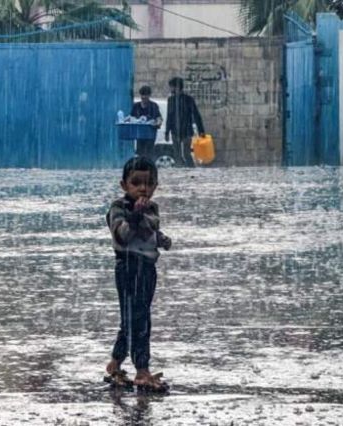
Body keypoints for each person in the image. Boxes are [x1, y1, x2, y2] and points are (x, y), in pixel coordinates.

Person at [104, 156, 172, 392]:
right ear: (124, 185)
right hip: (128, 268)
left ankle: (115, 362)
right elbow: (122, 235)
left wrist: (162, 239)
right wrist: (134, 215)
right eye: (136, 183)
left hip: (147, 269)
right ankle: (141, 369)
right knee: (137, 319)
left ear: (155, 185)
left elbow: (152, 230)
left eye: (149, 183)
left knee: (136, 317)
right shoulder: (118, 208)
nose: (143, 188)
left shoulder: (152, 208)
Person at [165, 77, 205, 168]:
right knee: (177, 154)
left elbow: (196, 115)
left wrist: (201, 130)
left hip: (187, 130)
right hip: (175, 131)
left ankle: (191, 171)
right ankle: (180, 173)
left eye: (172, 87)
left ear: (177, 87)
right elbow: (169, 116)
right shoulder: (171, 100)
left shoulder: (188, 99)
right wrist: (167, 132)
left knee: (187, 154)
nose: (171, 89)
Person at [130, 85, 162, 161]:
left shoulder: (153, 106)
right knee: (140, 152)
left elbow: (158, 118)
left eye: (146, 95)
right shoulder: (136, 106)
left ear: (149, 95)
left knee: (149, 153)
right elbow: (131, 117)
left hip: (150, 134)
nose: (144, 97)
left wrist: (157, 123)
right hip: (139, 134)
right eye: (142, 95)